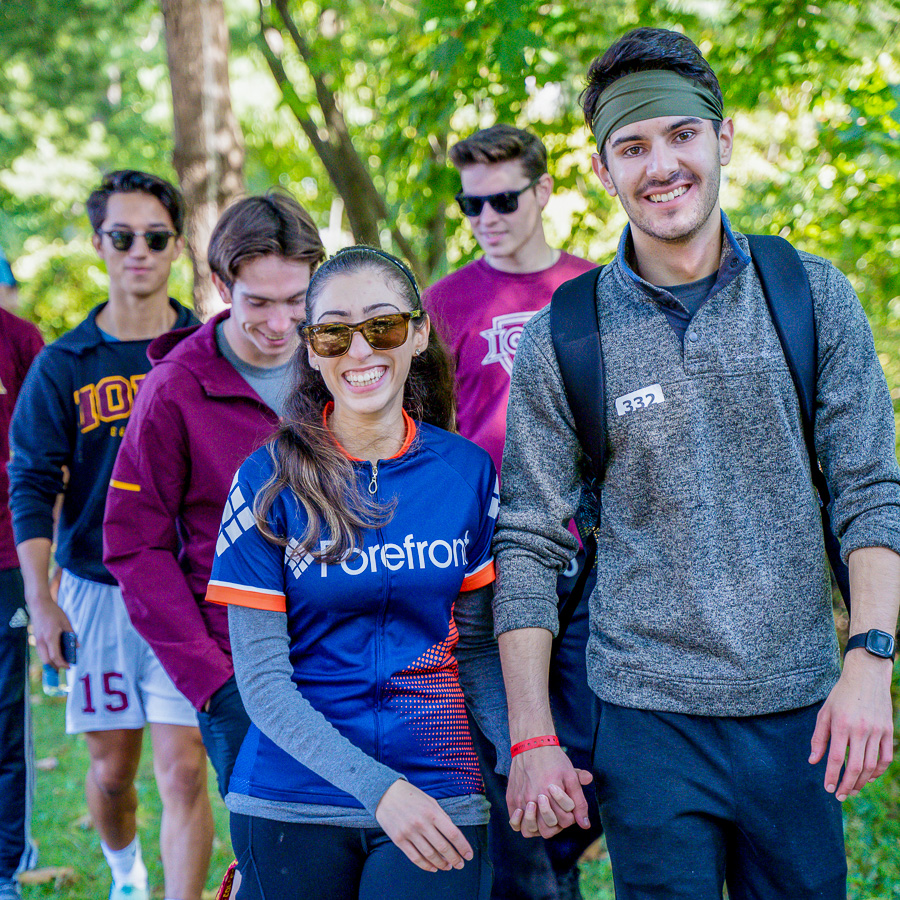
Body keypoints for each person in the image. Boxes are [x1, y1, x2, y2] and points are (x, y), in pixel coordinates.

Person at [493, 27, 900, 900]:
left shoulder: (811, 294)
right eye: (632, 146)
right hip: (644, 719)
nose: (661, 165)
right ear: (604, 171)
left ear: (722, 141)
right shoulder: (566, 335)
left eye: (681, 135)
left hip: (796, 709)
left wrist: (869, 662)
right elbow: (527, 543)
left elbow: (870, 493)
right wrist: (532, 735)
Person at [205, 246, 509, 900]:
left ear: (418, 333)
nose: (360, 349)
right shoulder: (266, 479)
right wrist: (380, 791)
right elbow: (261, 679)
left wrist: (524, 756)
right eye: (334, 331)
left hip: (439, 785)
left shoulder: (467, 472)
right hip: (291, 796)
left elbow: (480, 650)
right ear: (311, 349)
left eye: (383, 326)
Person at [9, 170, 212, 900]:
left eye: (155, 238)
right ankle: (126, 874)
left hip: (188, 589)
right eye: (122, 237)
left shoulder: (206, 351)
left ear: (177, 247)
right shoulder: (63, 366)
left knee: (185, 765)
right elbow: (31, 484)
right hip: (96, 590)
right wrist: (43, 597)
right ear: (99, 244)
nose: (139, 252)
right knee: (111, 771)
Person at [425, 124, 600, 900]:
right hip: (488, 558)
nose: (486, 216)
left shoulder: (596, 290)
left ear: (544, 192)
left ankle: (557, 861)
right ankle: (536, 884)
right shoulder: (441, 305)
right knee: (509, 742)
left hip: (597, 551)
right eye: (470, 204)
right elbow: (424, 436)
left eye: (502, 199)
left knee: (598, 733)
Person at [104, 191, 326, 800]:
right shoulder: (173, 389)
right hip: (239, 671)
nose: (281, 325)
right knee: (279, 860)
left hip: (352, 658)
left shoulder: (344, 363)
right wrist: (210, 680)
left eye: (295, 301)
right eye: (258, 302)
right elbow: (133, 545)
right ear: (220, 285)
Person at [0, 304, 43, 900]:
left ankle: (4, 866)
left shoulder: (19, 340)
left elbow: (41, 454)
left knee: (5, 710)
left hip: (4, 557)